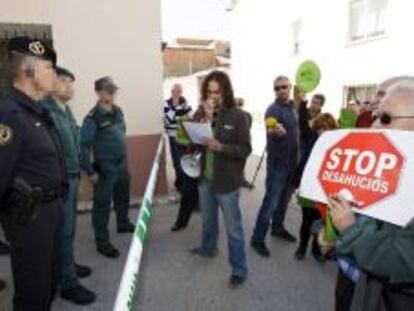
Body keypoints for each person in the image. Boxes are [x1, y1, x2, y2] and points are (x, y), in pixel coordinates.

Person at [328, 80, 414, 311]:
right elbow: (348, 211)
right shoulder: (381, 165)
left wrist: (351, 231)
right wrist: (325, 231)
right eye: (375, 116)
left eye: (384, 118)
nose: (374, 125)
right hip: (360, 292)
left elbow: (402, 261)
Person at [0, 37, 65, 310]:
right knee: (33, 294)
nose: (55, 75)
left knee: (49, 284)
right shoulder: (10, 115)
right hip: (29, 219)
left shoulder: (38, 111)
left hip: (50, 212)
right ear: (29, 72)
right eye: (49, 68)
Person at [191, 70, 251, 288]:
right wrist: (203, 118)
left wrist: (221, 147)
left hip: (227, 181)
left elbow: (245, 149)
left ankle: (239, 269)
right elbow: (192, 139)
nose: (213, 96)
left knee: (233, 229)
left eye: (217, 92)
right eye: (209, 92)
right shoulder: (202, 111)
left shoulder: (238, 116)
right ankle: (208, 248)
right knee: (208, 220)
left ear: (226, 91)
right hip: (205, 178)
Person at [44, 67, 96, 305]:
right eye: (63, 81)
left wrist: (80, 177)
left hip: (72, 179)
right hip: (59, 182)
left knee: (70, 229)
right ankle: (68, 283)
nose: (69, 86)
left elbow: (74, 148)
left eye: (71, 82)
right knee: (63, 232)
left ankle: (68, 265)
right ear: (51, 84)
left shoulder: (66, 111)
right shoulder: (46, 111)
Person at [80, 77, 134, 258]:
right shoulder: (92, 117)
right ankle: (102, 242)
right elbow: (83, 147)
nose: (110, 93)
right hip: (105, 166)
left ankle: (123, 223)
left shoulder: (118, 111)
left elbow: (122, 132)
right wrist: (90, 171)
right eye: (106, 90)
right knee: (102, 205)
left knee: (122, 194)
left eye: (113, 90)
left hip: (121, 162)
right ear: (98, 92)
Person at [251, 75, 299, 257]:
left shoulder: (293, 107)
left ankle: (277, 228)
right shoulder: (273, 109)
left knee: (284, 201)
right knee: (270, 202)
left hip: (292, 163)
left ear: (290, 87)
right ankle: (257, 239)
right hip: (278, 166)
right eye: (277, 88)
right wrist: (276, 131)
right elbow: (271, 128)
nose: (281, 90)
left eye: (284, 87)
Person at [292, 113, 337, 262]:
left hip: (326, 192)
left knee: (322, 221)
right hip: (309, 189)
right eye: (319, 128)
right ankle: (302, 247)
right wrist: (296, 181)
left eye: (326, 128)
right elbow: (304, 162)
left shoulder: (337, 145)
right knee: (306, 221)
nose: (322, 132)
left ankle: (316, 250)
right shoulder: (312, 141)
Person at [164, 84, 192, 192]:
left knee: (185, 160)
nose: (178, 94)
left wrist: (184, 107)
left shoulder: (184, 102)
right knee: (177, 161)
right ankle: (179, 184)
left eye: (180, 92)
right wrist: (174, 107)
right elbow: (168, 120)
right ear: (172, 92)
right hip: (173, 136)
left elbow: (191, 115)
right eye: (176, 92)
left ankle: (184, 183)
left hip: (185, 136)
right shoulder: (167, 103)